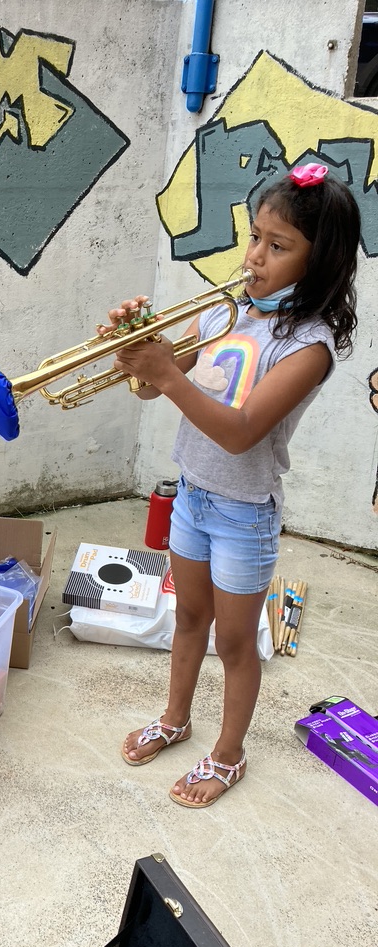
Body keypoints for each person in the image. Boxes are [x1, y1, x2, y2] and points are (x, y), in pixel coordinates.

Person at [99, 163, 360, 807]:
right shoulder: (226, 311)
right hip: (193, 493)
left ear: (318, 260)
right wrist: (137, 349)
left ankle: (228, 754)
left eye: (279, 246)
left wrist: (165, 368)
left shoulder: (310, 347)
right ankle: (176, 719)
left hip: (244, 510)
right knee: (188, 617)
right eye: (254, 236)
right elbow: (147, 384)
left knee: (236, 642)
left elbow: (241, 431)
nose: (256, 256)